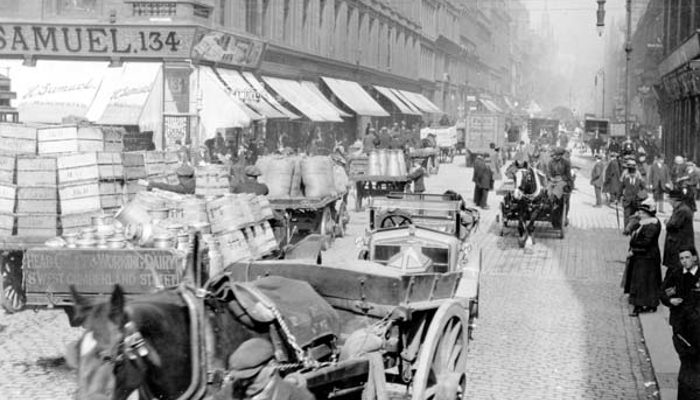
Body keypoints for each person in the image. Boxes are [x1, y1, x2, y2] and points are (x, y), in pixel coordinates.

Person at [661, 247, 700, 399]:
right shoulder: (676, 274)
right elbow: (664, 292)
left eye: (687, 257)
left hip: (697, 328)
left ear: (695, 258)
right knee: (686, 362)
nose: (684, 261)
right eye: (682, 258)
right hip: (681, 328)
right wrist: (670, 300)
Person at [225, 338, 314, 400]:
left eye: (252, 376)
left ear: (271, 366)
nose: (245, 382)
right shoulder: (231, 393)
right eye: (241, 378)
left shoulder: (297, 396)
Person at [623, 197, 662, 316]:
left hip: (647, 257)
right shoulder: (644, 223)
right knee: (642, 282)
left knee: (644, 282)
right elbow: (633, 229)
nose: (639, 214)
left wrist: (634, 249)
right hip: (643, 256)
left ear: (647, 214)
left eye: (641, 212)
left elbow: (645, 242)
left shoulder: (652, 225)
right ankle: (643, 303)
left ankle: (644, 305)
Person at [664, 190, 696, 271]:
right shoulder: (681, 208)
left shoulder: (681, 210)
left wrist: (667, 222)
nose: (669, 202)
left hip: (679, 245)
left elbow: (673, 225)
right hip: (680, 244)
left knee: (677, 269)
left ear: (674, 200)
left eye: (669, 200)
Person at [620, 159, 647, 228]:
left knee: (635, 215)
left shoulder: (637, 173)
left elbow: (643, 186)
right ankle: (626, 229)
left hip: (636, 200)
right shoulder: (625, 173)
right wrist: (618, 197)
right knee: (626, 215)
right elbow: (621, 186)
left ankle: (633, 228)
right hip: (627, 199)